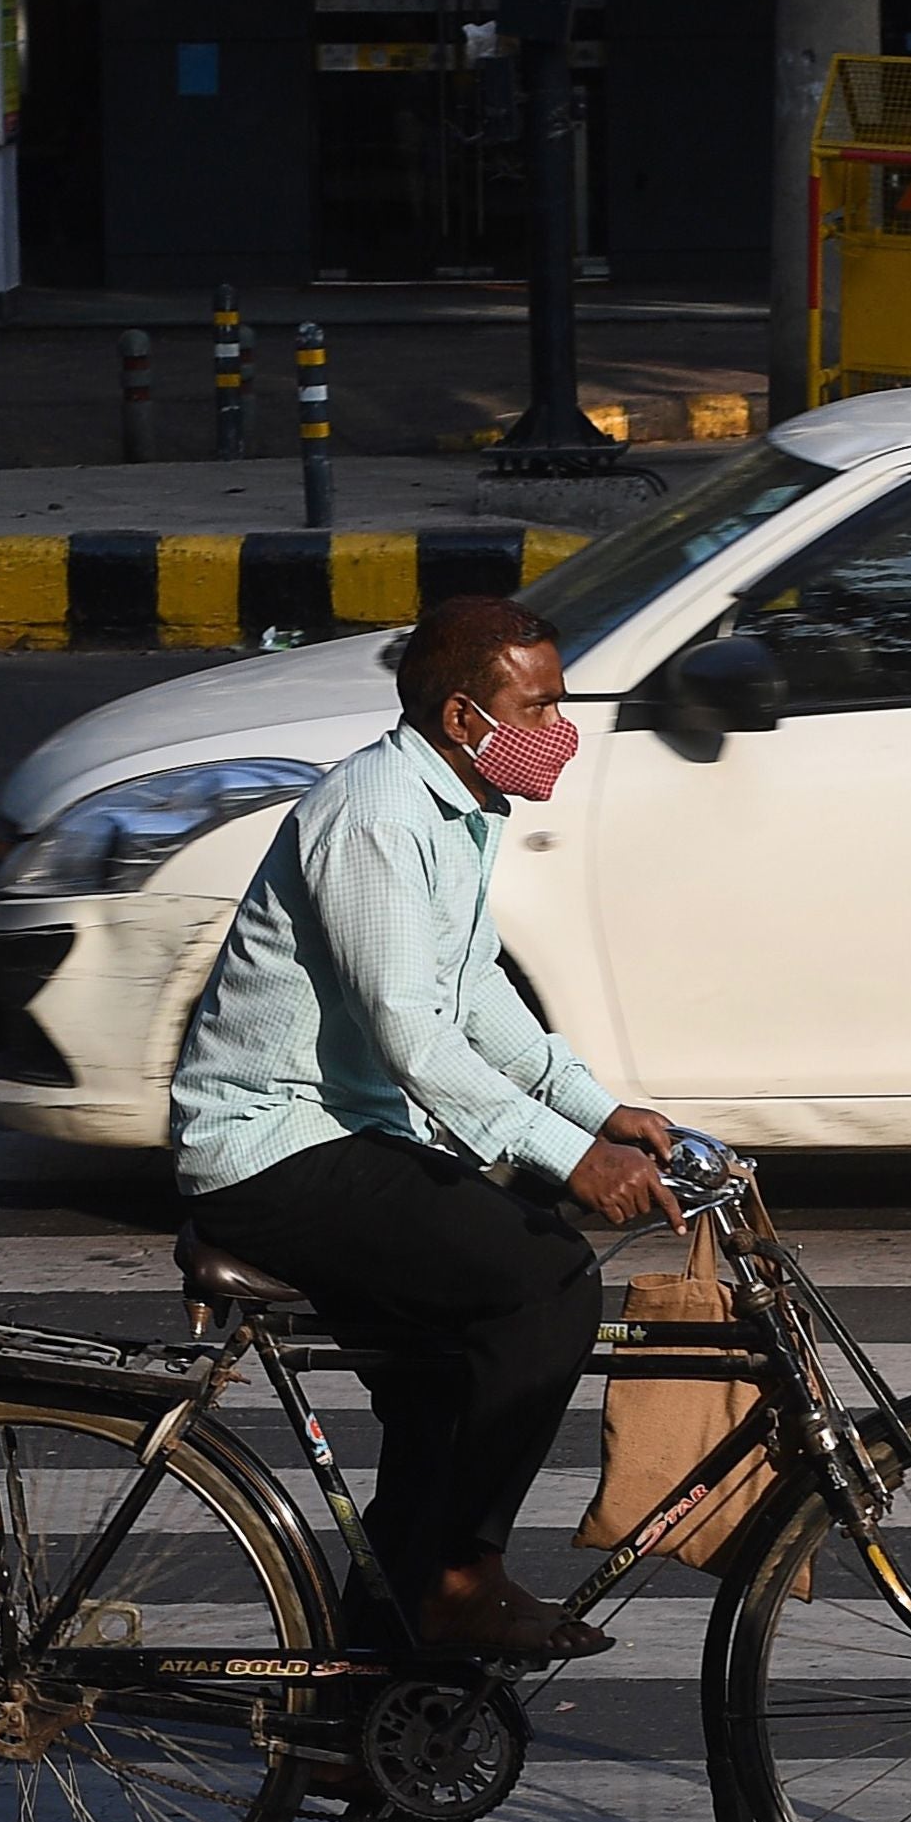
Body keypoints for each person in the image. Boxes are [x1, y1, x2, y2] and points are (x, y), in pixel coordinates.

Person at [168, 592, 681, 1659]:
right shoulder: (377, 816)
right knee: (544, 1275)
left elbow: (475, 991)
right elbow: (413, 1033)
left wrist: (600, 1107)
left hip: (347, 1134)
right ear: (462, 716)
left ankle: (371, 1676)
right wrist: (569, 1158)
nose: (558, 729)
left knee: (447, 1381)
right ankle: (460, 1575)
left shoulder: (453, 805)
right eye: (536, 707)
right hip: (272, 1148)